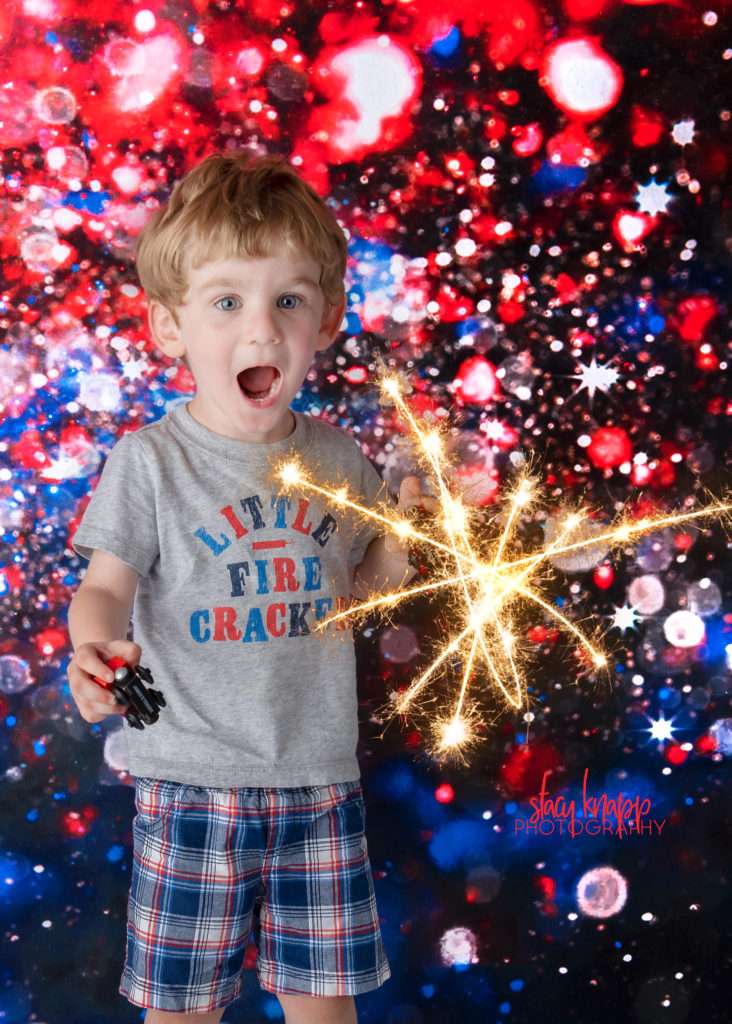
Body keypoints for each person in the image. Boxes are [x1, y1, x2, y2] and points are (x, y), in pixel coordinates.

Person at [66, 151, 437, 1024]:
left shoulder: (340, 461)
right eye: (228, 302)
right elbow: (104, 587)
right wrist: (94, 645)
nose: (262, 332)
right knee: (183, 1010)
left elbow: (368, 590)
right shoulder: (150, 463)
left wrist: (402, 543)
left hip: (316, 781)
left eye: (289, 301)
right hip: (189, 780)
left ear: (327, 318)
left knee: (324, 1006)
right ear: (169, 326)